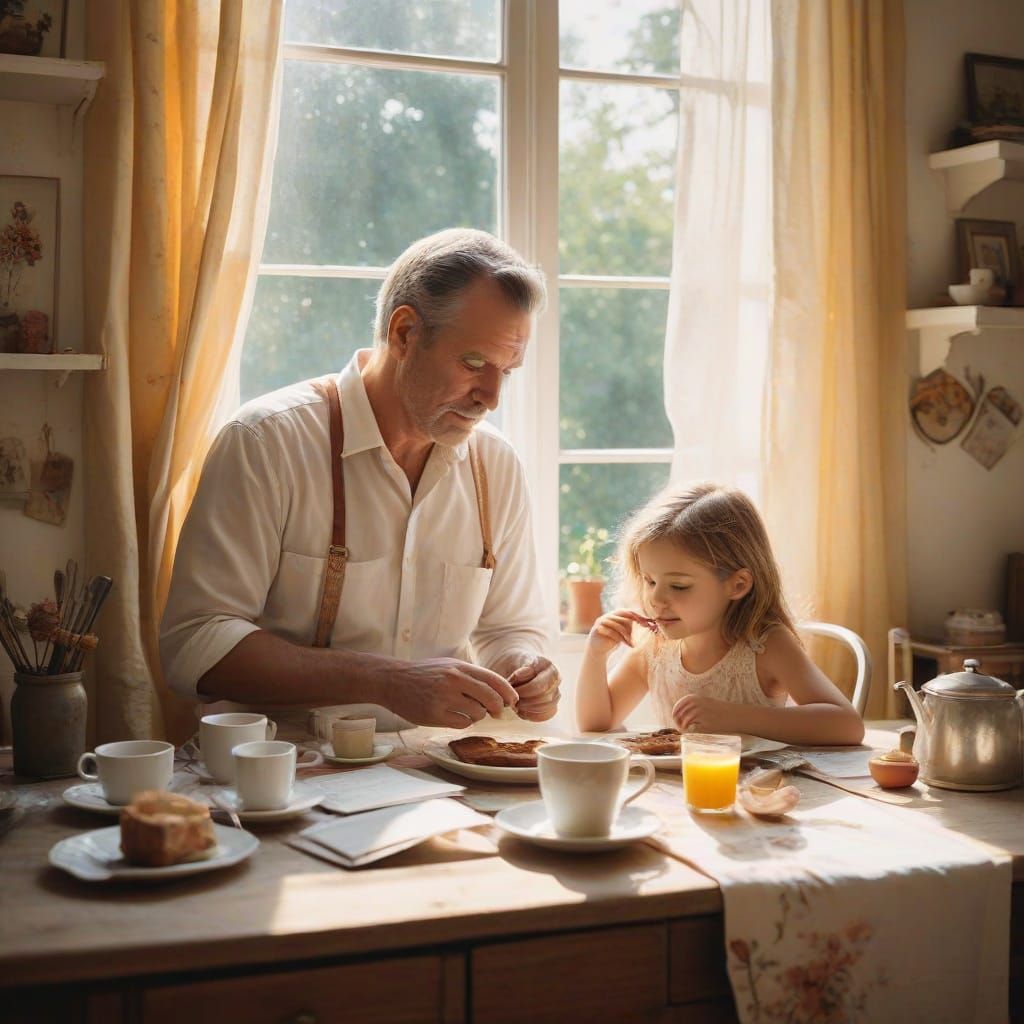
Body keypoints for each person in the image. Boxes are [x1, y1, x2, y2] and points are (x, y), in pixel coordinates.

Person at [161, 228, 560, 734]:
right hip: (286, 768)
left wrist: (523, 666)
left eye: (508, 371)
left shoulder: (495, 465)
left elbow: (509, 627)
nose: (492, 397)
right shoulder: (267, 442)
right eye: (473, 362)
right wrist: (385, 681)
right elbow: (196, 645)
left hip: (434, 768)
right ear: (404, 333)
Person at [575, 483, 864, 745]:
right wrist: (595, 655)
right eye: (650, 581)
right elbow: (596, 724)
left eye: (679, 585)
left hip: (759, 783)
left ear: (737, 585)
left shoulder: (765, 645)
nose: (655, 599)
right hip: (676, 785)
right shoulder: (653, 648)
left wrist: (734, 717)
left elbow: (846, 726)